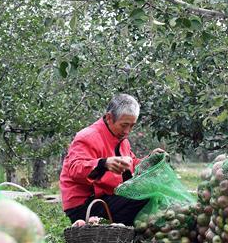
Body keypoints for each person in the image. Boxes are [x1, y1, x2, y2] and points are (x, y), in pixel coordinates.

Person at [59, 93, 163, 225]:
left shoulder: (121, 140)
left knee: (149, 192)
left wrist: (149, 160)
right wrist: (104, 164)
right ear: (109, 118)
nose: (127, 131)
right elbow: (75, 168)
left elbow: (131, 164)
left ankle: (126, 227)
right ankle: (123, 229)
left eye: (132, 126)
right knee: (144, 197)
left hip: (108, 198)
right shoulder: (87, 137)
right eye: (124, 125)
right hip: (85, 205)